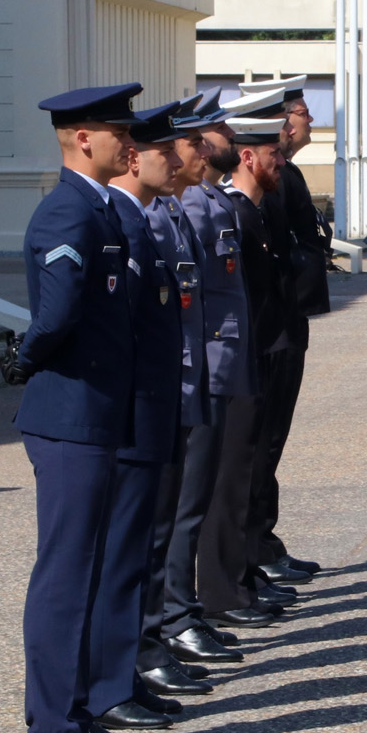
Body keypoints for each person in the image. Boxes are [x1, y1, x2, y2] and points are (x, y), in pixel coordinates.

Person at [8, 82, 143, 733]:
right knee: (66, 571)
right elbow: (56, 314)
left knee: (87, 568)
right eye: (120, 131)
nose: (131, 142)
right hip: (70, 413)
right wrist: (23, 357)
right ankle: (51, 725)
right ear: (83, 139)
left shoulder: (99, 208)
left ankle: (78, 709)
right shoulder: (68, 210)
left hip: (96, 409)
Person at [85, 99, 189, 733]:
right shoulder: (118, 219)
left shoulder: (141, 218)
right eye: (162, 151)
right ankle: (110, 682)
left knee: (135, 550)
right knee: (122, 553)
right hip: (128, 410)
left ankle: (122, 675)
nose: (173, 161)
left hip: (150, 405)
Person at [162, 90, 259, 667]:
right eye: (194, 141)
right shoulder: (186, 207)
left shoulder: (197, 202)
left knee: (194, 499)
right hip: (195, 368)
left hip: (214, 362)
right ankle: (174, 614)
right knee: (182, 505)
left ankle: (182, 609)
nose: (202, 151)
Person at [136, 89, 224, 697]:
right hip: (162, 386)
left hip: (186, 377)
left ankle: (165, 625)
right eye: (175, 147)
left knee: (174, 513)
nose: (183, 157)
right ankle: (153, 635)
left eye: (184, 145)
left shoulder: (169, 211)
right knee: (153, 524)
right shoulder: (147, 216)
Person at [197, 87, 294, 627]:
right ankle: (222, 590)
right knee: (228, 480)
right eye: (273, 152)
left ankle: (241, 577)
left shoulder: (244, 212)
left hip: (251, 359)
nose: (281, 159)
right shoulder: (228, 212)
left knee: (247, 474)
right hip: (232, 363)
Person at [251, 77, 325, 588]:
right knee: (259, 444)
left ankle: (263, 541)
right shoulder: (266, 181)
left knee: (271, 443)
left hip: (287, 322)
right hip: (269, 327)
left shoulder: (287, 174)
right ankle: (254, 549)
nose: (308, 119)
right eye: (301, 111)